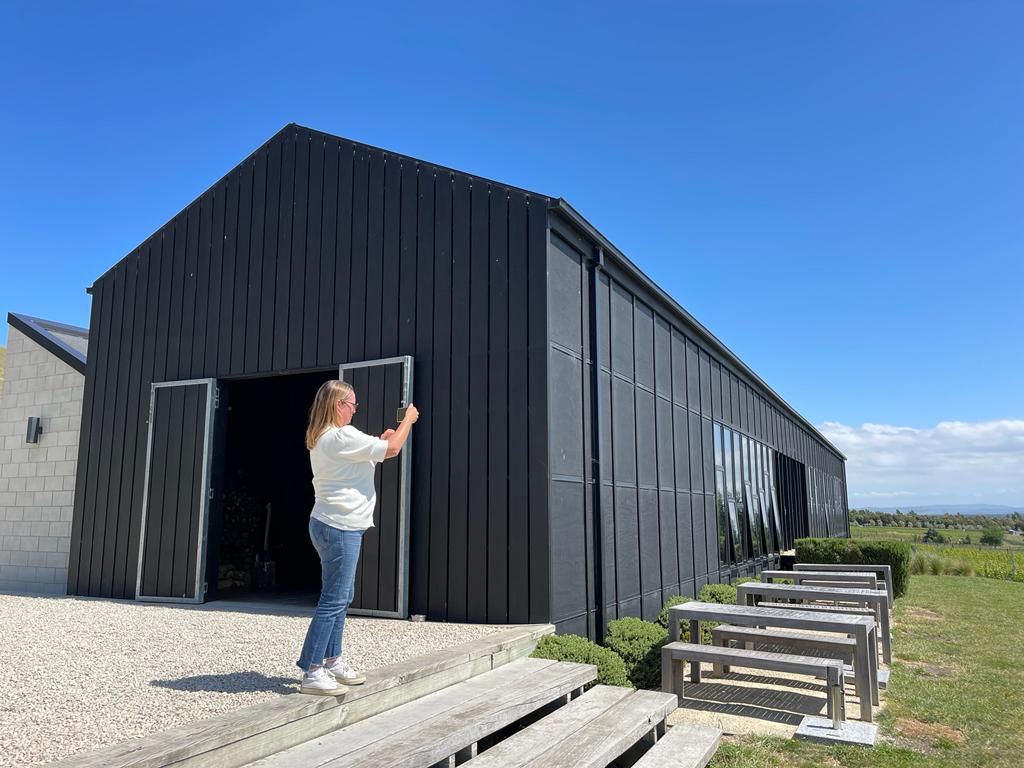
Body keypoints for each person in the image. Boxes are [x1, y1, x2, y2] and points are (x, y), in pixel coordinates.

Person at [297, 379, 419, 695]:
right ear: (339, 405)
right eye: (352, 404)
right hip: (340, 527)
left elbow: (370, 452)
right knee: (334, 598)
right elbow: (393, 449)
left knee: (342, 595)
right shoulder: (341, 436)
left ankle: (333, 660)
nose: (354, 410)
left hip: (330, 524)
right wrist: (408, 420)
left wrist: (382, 440)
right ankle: (312, 670)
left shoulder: (326, 437)